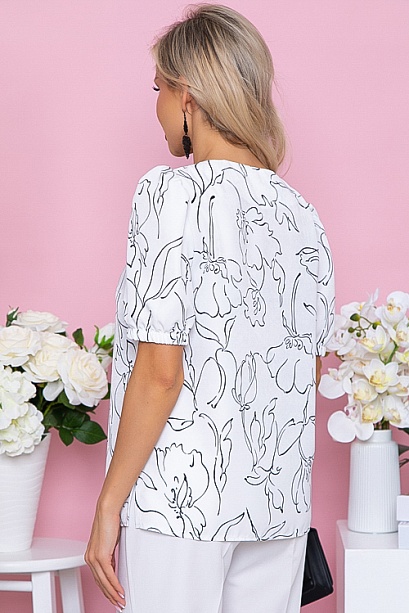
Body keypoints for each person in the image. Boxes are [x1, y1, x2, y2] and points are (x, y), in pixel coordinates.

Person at [85, 5, 335, 613]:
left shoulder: (170, 193)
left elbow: (160, 371)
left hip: (179, 505)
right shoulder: (301, 214)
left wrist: (109, 504)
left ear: (188, 96)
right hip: (276, 507)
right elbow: (306, 371)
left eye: (158, 90)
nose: (156, 108)